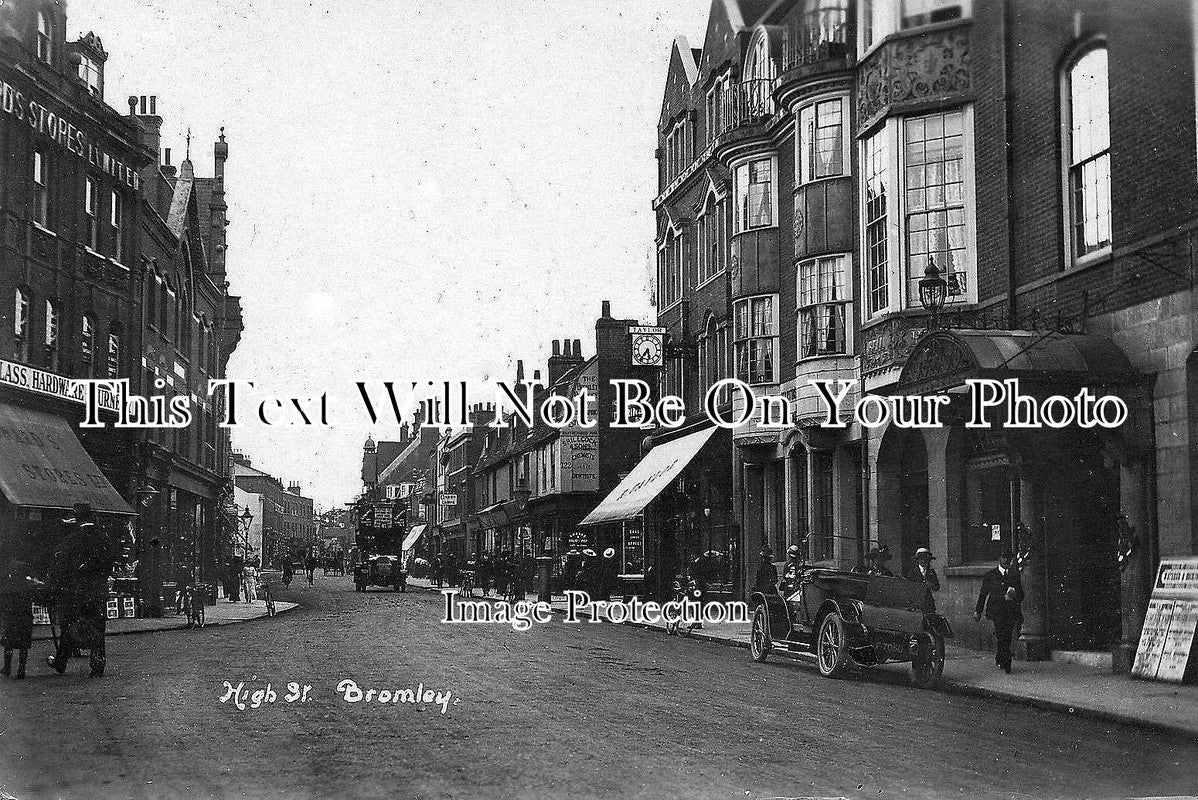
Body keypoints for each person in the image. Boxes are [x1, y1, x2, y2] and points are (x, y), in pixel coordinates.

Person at [47, 504, 115, 677]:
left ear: (77, 518)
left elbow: (61, 566)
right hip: (97, 592)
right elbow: (109, 562)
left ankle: (61, 662)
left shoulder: (73, 539)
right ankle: (98, 665)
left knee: (69, 627)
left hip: (75, 592)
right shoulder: (104, 538)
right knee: (98, 628)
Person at [975, 549, 1025, 673]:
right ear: (999, 558)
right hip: (996, 611)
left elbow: (1021, 594)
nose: (1006, 560)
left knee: (1007, 636)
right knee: (1001, 635)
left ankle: (1001, 657)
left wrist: (1014, 594)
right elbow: (983, 594)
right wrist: (978, 611)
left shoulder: (1014, 575)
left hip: (1010, 611)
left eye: (1009, 558)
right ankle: (1006, 663)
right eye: (1004, 557)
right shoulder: (990, 575)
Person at [1, 560, 39, 680]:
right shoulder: (28, 585)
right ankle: (21, 669)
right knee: (24, 645)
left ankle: (7, 668)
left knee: (8, 644)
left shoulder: (6, 585)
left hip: (10, 617)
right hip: (24, 617)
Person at [136, 538, 164, 617]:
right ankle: (155, 613)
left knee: (149, 596)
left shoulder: (150, 553)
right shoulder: (158, 553)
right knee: (155, 596)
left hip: (150, 579)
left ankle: (148, 613)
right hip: (154, 579)